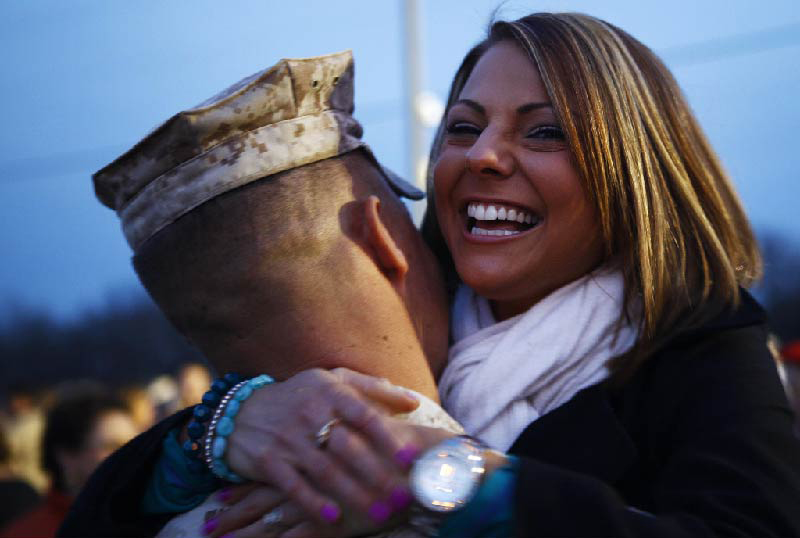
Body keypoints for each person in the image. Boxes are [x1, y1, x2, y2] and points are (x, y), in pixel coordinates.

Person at [193, 12, 800, 538]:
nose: (482, 154)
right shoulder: (386, 306)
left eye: (545, 132)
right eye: (463, 126)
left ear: (633, 177)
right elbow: (110, 509)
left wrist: (455, 486)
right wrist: (227, 424)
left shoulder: (704, 353)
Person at [58, 51, 458, 537]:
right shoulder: (483, 489)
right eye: (421, 237)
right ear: (384, 241)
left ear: (189, 330)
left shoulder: (176, 515)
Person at [2, 385, 138, 537]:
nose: (132, 455)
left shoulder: (154, 526)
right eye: (113, 446)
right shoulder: (28, 533)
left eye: (137, 444)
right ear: (66, 455)